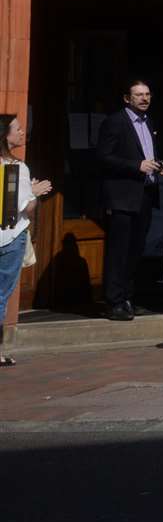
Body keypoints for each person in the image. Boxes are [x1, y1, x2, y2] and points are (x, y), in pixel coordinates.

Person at [95, 79, 163, 321]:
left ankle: (128, 299)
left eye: (147, 94)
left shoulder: (149, 122)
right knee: (118, 250)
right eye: (138, 95)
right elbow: (103, 157)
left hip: (144, 194)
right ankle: (113, 302)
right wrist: (136, 166)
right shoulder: (114, 122)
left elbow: (148, 155)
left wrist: (158, 164)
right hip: (121, 196)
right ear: (127, 98)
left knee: (136, 250)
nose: (144, 99)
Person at [0, 114, 52, 367]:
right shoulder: (16, 167)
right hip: (9, 237)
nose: (22, 133)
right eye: (17, 130)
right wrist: (35, 191)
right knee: (1, 295)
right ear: (4, 136)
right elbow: (20, 208)